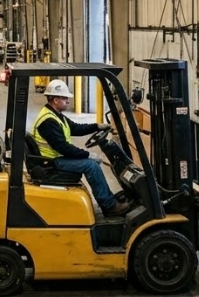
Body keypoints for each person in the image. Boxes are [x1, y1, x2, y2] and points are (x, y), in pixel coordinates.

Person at [32, 80, 128, 217]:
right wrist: (87, 154)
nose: (68, 101)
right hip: (52, 162)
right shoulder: (48, 121)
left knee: (91, 164)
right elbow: (64, 148)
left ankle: (110, 199)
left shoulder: (55, 115)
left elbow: (75, 128)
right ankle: (109, 206)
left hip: (55, 158)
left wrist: (96, 126)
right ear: (55, 100)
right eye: (65, 98)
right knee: (91, 166)